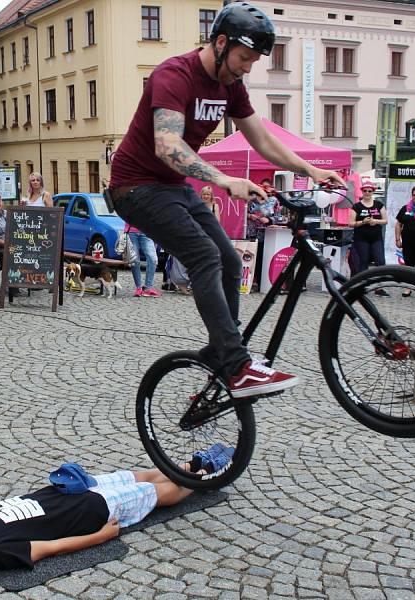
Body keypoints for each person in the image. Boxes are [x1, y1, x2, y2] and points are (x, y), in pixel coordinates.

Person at [108, 2, 345, 398]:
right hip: (135, 188)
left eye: (253, 61)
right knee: (205, 256)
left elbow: (263, 139)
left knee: (231, 260)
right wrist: (221, 178)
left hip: (173, 187)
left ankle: (222, 356)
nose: (246, 68)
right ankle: (238, 366)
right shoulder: (174, 75)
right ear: (221, 43)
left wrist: (311, 170)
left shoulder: (230, 85)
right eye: (243, 58)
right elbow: (167, 146)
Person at [0, 451, 233, 576]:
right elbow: (51, 549)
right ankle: (208, 476)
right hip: (92, 511)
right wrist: (99, 537)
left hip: (70, 489)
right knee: (157, 494)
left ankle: (192, 464)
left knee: (138, 475)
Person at [349, 180, 387, 292]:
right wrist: (363, 222)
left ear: (373, 192)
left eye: (369, 191)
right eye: (365, 191)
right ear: (362, 191)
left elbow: (385, 221)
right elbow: (350, 223)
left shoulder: (379, 205)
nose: (367, 193)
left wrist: (375, 221)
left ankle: (378, 286)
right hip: (361, 238)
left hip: (376, 237)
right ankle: (362, 285)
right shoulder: (356, 206)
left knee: (380, 261)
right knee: (363, 261)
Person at [126, 224, 161, 297]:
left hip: (146, 232)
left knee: (153, 259)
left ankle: (148, 288)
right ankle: (139, 288)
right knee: (134, 260)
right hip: (131, 232)